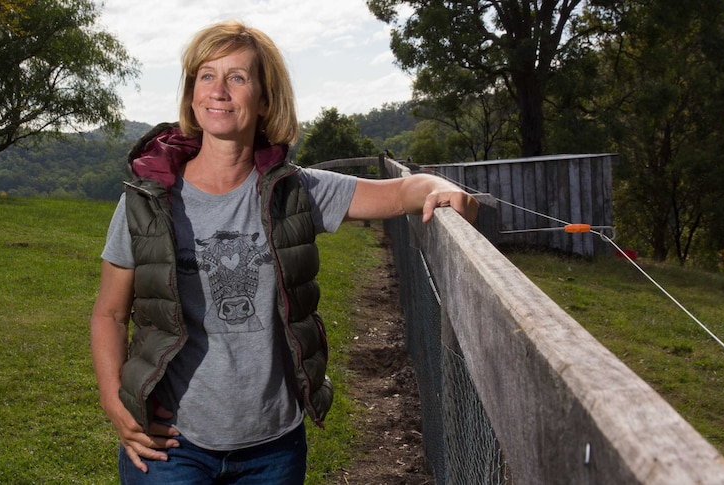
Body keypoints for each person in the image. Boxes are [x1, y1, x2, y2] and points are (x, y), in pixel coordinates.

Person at [90, 20, 478, 484]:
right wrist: (114, 401)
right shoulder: (148, 201)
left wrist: (438, 187)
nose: (219, 90)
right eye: (206, 75)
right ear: (192, 92)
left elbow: (399, 193)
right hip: (171, 445)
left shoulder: (296, 192)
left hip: (273, 447)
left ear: (265, 98)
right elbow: (109, 314)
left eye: (237, 77)